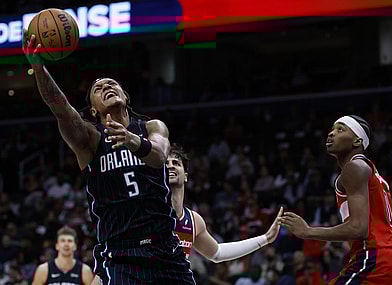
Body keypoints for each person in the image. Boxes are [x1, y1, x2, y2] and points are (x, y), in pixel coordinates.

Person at [23, 31, 195, 284]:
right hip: (120, 253)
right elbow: (60, 108)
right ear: (93, 109)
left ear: (125, 97)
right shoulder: (90, 141)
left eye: (111, 84)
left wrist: (132, 140)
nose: (106, 87)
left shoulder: (152, 128)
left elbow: (159, 156)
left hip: (165, 247)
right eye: (98, 88)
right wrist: (39, 68)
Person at [91, 142, 284, 285]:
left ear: (186, 175)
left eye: (177, 163)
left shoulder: (193, 221)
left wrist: (265, 239)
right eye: (166, 163)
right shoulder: (142, 212)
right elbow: (115, 258)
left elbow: (217, 253)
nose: (171, 166)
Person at [280, 115, 392, 285]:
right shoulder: (377, 179)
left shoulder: (354, 168)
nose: (331, 134)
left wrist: (308, 231)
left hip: (374, 261)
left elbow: (358, 228)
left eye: (340, 129)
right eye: (332, 129)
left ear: (357, 141)